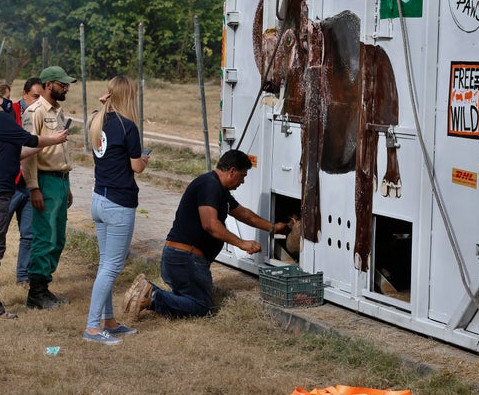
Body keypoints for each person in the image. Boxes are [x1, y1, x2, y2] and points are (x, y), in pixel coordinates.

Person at [123, 149, 289, 320]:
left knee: (189, 300)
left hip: (181, 259)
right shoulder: (209, 185)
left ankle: (147, 292)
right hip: (186, 259)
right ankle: (153, 295)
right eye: (242, 175)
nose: (243, 181)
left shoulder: (218, 188)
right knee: (202, 307)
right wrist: (242, 243)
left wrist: (273, 227)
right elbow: (210, 224)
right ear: (232, 171)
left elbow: (244, 214)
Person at [0, 80, 68, 319]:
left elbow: (18, 151)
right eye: (9, 99)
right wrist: (52, 139)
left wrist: (45, 146)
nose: (12, 104)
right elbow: (30, 140)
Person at [83, 76, 150, 345]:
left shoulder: (96, 121)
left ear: (109, 95)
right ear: (129, 96)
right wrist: (144, 159)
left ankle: (108, 320)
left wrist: (104, 103)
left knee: (105, 265)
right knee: (111, 267)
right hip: (119, 204)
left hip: (99, 199)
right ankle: (92, 328)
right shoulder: (128, 126)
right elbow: (136, 167)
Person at [21, 65, 77, 309]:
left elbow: (59, 151)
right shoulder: (35, 112)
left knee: (59, 237)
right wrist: (33, 187)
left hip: (60, 180)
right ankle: (35, 294)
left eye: (66, 84)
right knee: (45, 236)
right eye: (61, 83)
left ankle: (44, 286)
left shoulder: (58, 110)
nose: (65, 87)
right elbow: (28, 154)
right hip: (44, 180)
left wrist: (68, 186)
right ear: (47, 85)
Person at [8, 77, 44, 286]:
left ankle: (23, 276)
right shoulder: (9, 113)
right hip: (9, 183)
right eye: (34, 96)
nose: (38, 101)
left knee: (29, 234)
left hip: (29, 183)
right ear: (24, 94)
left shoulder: (41, 114)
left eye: (41, 97)